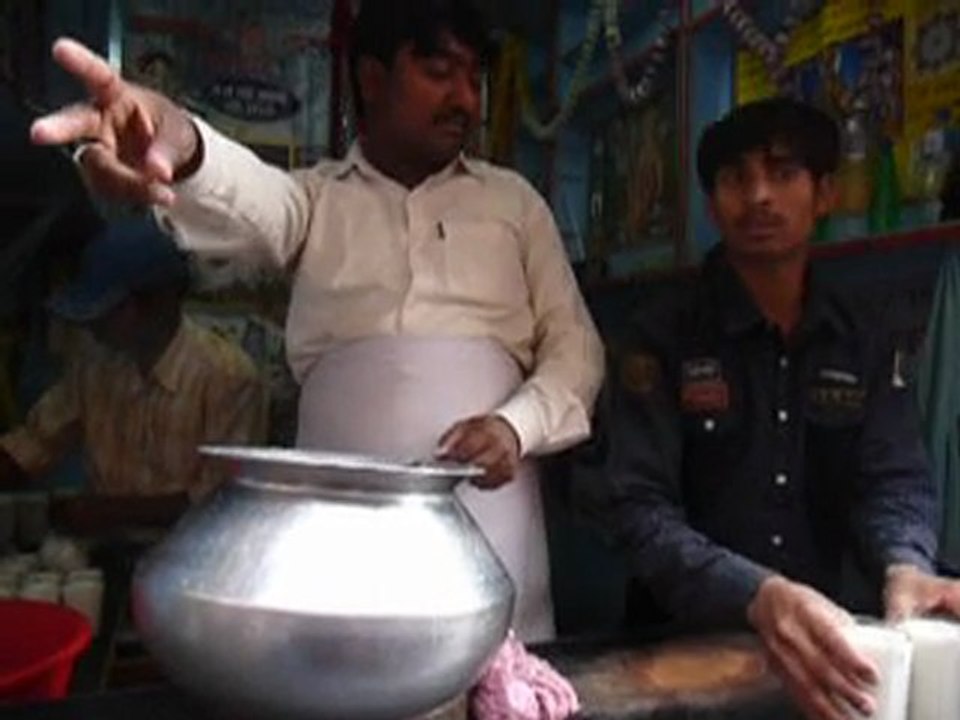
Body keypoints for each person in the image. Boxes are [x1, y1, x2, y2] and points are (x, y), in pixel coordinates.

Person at [30, 0, 604, 641]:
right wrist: (182, 142)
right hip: (336, 548)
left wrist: (516, 427)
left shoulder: (516, 206)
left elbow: (576, 351)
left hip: (492, 539)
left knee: (501, 678)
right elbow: (249, 195)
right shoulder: (314, 200)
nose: (465, 100)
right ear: (373, 79)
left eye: (475, 79)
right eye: (440, 73)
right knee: (341, 671)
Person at [579, 98, 960, 720]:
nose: (758, 196)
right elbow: (636, 509)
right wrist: (756, 594)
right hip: (676, 659)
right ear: (712, 205)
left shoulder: (862, 338)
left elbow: (892, 479)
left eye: (783, 174)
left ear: (825, 193)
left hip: (824, 655)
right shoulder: (660, 334)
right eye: (736, 178)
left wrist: (905, 565)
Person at [0, 219, 267, 530]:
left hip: (191, 551)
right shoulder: (95, 366)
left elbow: (222, 498)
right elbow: (35, 443)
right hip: (102, 546)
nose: (94, 326)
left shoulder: (227, 377)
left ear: (158, 303)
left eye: (109, 311)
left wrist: (106, 512)